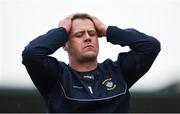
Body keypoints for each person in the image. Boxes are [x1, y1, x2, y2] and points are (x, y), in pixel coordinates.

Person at [22, 13, 161, 113]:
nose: (88, 38)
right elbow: (31, 54)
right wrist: (62, 31)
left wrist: (107, 30)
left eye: (92, 33)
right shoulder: (55, 76)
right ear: (64, 44)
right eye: (79, 35)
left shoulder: (118, 71)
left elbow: (151, 46)